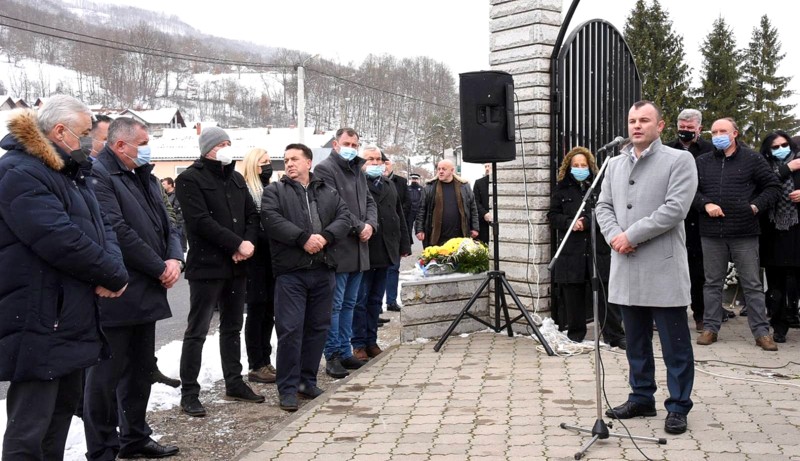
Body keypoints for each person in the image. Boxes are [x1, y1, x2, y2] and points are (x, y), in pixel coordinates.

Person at [0, 95, 128, 460]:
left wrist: (115, 271)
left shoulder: (70, 173)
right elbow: (59, 239)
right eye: (86, 134)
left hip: (69, 317)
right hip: (40, 319)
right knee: (30, 431)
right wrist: (111, 273)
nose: (92, 143)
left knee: (56, 425)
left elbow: (104, 228)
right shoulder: (19, 171)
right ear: (60, 131)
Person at [596, 100, 698, 435]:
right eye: (632, 121)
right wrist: (614, 236)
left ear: (661, 125)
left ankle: (678, 405)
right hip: (625, 266)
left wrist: (631, 234)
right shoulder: (613, 164)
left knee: (675, 346)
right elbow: (603, 205)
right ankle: (641, 397)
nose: (636, 126)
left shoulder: (679, 160)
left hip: (662, 269)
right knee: (636, 342)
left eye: (644, 120)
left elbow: (675, 209)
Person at [84, 117, 182, 460]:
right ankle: (102, 449)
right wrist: (159, 267)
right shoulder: (99, 176)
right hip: (117, 290)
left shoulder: (146, 176)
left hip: (149, 290)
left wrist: (174, 258)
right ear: (120, 145)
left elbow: (169, 223)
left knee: (140, 373)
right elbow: (117, 231)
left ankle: (135, 437)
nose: (148, 147)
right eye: (143, 142)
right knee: (104, 379)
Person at [175, 126, 264, 418]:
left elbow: (251, 214)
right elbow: (200, 221)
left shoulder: (236, 178)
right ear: (207, 149)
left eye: (229, 142)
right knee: (197, 330)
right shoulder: (189, 179)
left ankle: (234, 382)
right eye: (221, 143)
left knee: (232, 327)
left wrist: (247, 243)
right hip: (207, 266)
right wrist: (236, 244)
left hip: (238, 266)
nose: (227, 147)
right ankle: (189, 391)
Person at [261, 143, 351, 412]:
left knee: (318, 328)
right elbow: (271, 220)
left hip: (323, 270)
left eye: (295, 159)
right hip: (292, 273)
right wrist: (303, 239)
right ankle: (287, 388)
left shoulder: (327, 190)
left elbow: (345, 218)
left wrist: (324, 237)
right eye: (286, 159)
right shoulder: (274, 191)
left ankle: (306, 382)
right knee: (290, 331)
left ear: (308, 163)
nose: (289, 164)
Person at [694, 117, 781, 351]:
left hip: (744, 231)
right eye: (714, 131)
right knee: (712, 283)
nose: (718, 135)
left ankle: (761, 332)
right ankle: (710, 328)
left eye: (723, 130)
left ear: (735, 133)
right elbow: (690, 190)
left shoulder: (753, 158)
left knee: (751, 284)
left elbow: (772, 186)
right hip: (711, 232)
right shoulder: (702, 162)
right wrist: (705, 204)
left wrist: (755, 206)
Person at [313, 127, 378, 379]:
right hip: (340, 246)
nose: (351, 147)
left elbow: (369, 202)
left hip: (360, 248)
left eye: (355, 143)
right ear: (336, 144)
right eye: (347, 143)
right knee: (335, 305)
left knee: (350, 303)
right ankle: (333, 355)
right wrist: (359, 226)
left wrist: (371, 225)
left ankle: (345, 349)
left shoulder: (358, 171)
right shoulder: (325, 170)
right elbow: (333, 206)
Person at [547, 146, 625, 348]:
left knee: (605, 292)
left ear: (590, 167)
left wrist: (587, 222)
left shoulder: (600, 187)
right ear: (569, 167)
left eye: (583, 165)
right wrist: (569, 223)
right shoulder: (561, 189)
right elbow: (552, 216)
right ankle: (575, 333)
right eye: (576, 165)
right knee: (573, 293)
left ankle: (614, 334)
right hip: (572, 250)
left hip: (597, 247)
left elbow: (608, 211)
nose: (580, 168)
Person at [352, 147, 411, 361]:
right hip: (366, 249)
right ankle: (358, 343)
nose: (375, 162)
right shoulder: (357, 183)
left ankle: (371, 340)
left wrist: (404, 243)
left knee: (376, 300)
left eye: (378, 159)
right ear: (362, 161)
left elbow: (398, 215)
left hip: (386, 249)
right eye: (370, 159)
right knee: (360, 300)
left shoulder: (388, 184)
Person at [666, 109, 720, 332]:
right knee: (671, 269)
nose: (685, 131)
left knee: (699, 271)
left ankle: (701, 315)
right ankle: (670, 316)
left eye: (690, 128)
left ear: (699, 128)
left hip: (701, 218)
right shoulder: (667, 149)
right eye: (682, 127)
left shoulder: (710, 150)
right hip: (673, 217)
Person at [758, 132, 800, 343]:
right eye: (775, 147)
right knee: (776, 284)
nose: (781, 149)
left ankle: (794, 315)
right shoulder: (763, 165)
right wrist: (787, 169)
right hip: (773, 231)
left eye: (784, 144)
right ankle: (779, 326)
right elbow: (763, 186)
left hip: (797, 229)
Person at [241, 148, 277, 383]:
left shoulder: (270, 190)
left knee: (269, 313)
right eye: (263, 163)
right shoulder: (246, 190)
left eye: (268, 161)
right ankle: (256, 364)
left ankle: (266, 359)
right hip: (254, 260)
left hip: (272, 258)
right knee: (256, 311)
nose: (267, 166)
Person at [415, 159, 479, 248]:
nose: (440, 172)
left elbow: (473, 208)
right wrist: (419, 229)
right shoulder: (430, 187)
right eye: (439, 169)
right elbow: (421, 209)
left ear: (452, 170)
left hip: (459, 234)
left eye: (444, 169)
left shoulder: (464, 187)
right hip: (436, 235)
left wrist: (475, 228)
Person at [382, 152, 411, 316]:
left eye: (386, 163)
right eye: (381, 162)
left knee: (394, 269)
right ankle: (377, 305)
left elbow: (406, 205)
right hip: (378, 235)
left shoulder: (401, 182)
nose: (384, 166)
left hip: (395, 232)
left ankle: (391, 300)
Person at [161, 176, 187, 253]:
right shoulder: (164, 195)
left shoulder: (177, 194)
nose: (162, 186)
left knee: (180, 245)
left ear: (170, 184)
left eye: (164, 184)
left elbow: (175, 208)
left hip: (178, 222)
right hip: (168, 221)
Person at [473, 163, 492, 245]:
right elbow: (475, 201)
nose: (487, 169)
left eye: (489, 166)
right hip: (484, 222)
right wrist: (484, 213)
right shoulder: (479, 183)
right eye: (485, 166)